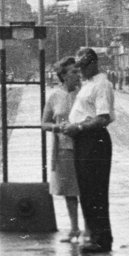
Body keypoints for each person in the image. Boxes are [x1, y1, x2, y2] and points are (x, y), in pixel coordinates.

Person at [55, 47, 114, 254]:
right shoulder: (88, 84)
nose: (80, 71)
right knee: (87, 191)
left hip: (94, 140)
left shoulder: (101, 84)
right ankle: (94, 236)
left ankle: (101, 239)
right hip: (82, 140)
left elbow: (102, 117)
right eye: (77, 68)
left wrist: (78, 127)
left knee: (96, 191)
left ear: (93, 64)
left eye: (83, 67)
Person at [43, 57, 82, 243]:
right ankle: (74, 228)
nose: (77, 75)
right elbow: (44, 123)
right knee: (69, 190)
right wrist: (57, 128)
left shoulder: (84, 94)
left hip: (85, 146)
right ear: (63, 76)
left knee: (88, 190)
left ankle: (91, 230)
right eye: (73, 72)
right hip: (64, 148)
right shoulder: (54, 96)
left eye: (78, 71)